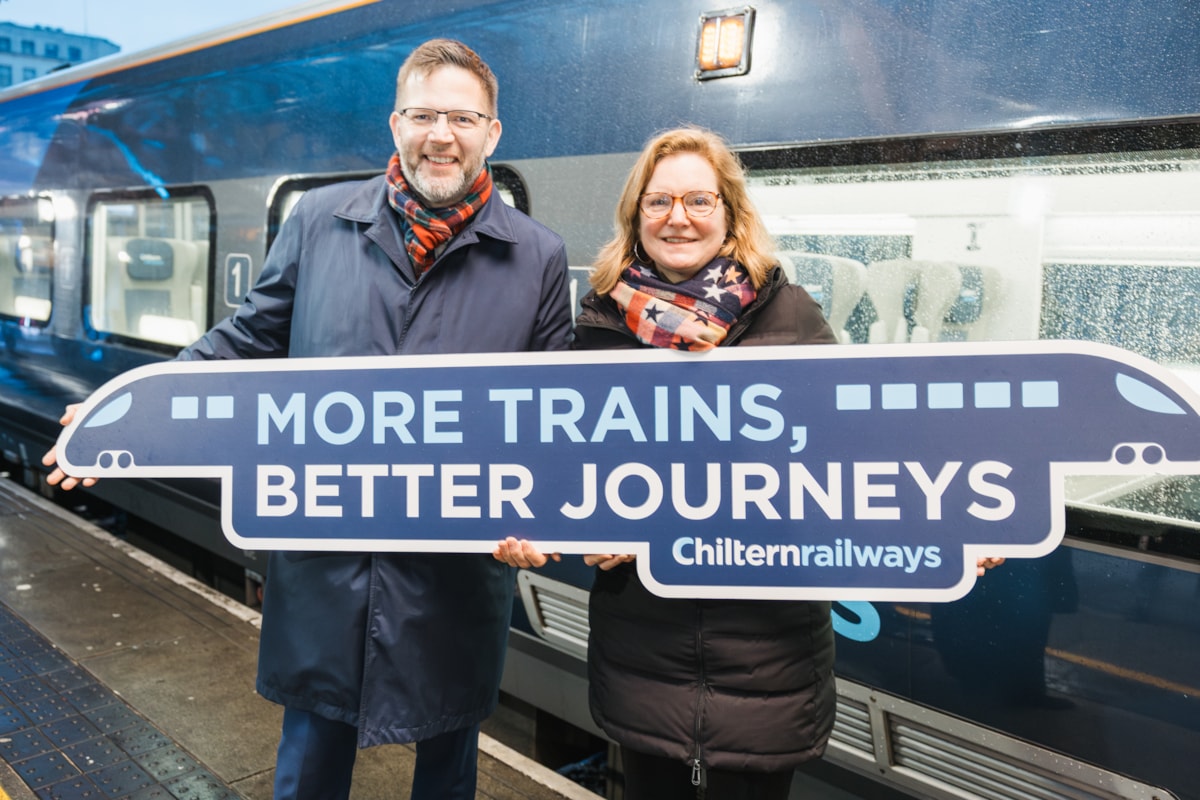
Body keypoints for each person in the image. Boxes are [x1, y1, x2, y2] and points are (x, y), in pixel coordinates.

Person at [45, 39, 573, 800]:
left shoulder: (537, 256)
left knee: (449, 764)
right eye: (423, 114)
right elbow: (246, 342)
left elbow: (554, 413)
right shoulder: (320, 221)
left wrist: (543, 519)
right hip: (329, 566)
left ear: (492, 133)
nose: (441, 135)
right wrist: (126, 415)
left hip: (453, 574)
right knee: (309, 765)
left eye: (462, 118)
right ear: (395, 123)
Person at [494, 127, 1003, 800]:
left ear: (730, 213)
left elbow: (859, 452)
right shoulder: (597, 328)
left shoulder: (791, 317)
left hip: (768, 659)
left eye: (699, 200)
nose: (677, 217)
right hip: (643, 653)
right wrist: (540, 529)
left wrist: (946, 525)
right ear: (635, 215)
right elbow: (561, 467)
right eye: (658, 201)